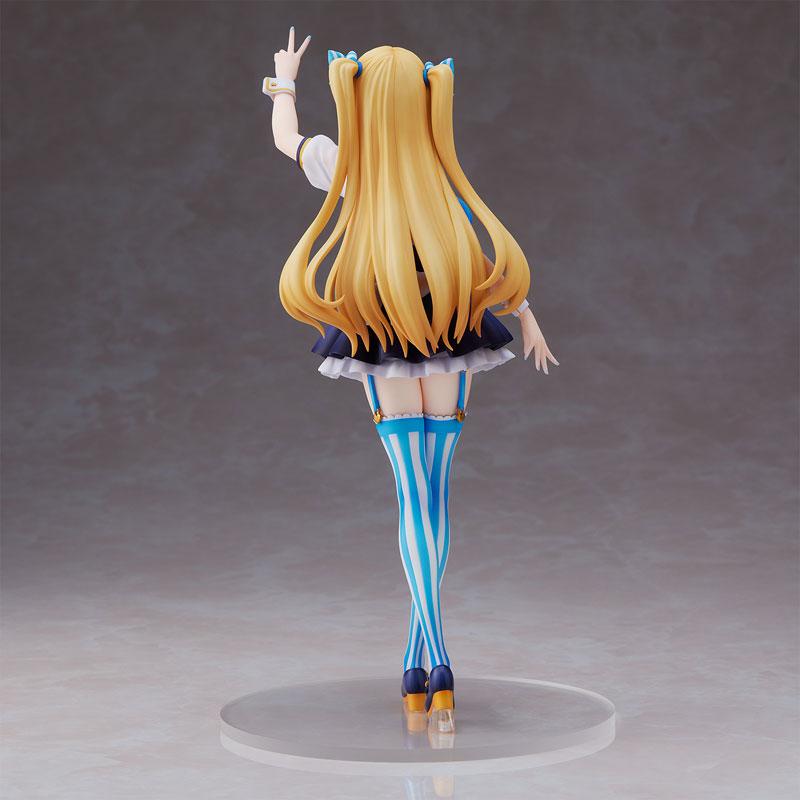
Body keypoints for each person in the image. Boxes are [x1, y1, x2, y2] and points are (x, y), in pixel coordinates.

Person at [265, 29, 558, 733]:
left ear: (359, 100)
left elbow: (285, 139)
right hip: (450, 332)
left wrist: (283, 81)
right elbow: (475, 253)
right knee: (434, 493)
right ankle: (432, 661)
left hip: (384, 333)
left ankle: (427, 661)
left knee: (413, 495)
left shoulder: (343, 164)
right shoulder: (436, 172)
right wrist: (527, 316)